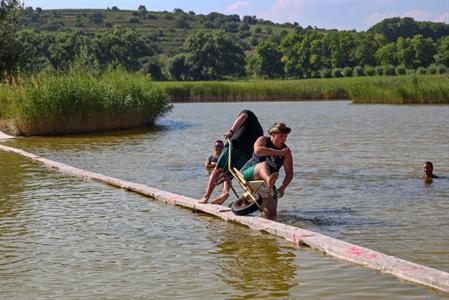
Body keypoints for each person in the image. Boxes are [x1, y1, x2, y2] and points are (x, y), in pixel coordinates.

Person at [199, 110, 263, 204]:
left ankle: (206, 197)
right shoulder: (259, 129)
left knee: (218, 169)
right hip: (247, 155)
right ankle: (225, 193)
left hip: (235, 146)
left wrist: (231, 131)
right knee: (228, 174)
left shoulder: (247, 113)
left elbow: (242, 117)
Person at [240, 122, 294, 219]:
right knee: (264, 165)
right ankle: (268, 179)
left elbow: (289, 174)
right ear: (273, 135)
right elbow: (258, 151)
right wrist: (279, 152)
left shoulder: (286, 152)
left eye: (285, 137)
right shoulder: (263, 140)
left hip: (267, 184)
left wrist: (283, 187)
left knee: (272, 214)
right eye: (281, 136)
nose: (284, 139)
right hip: (249, 173)